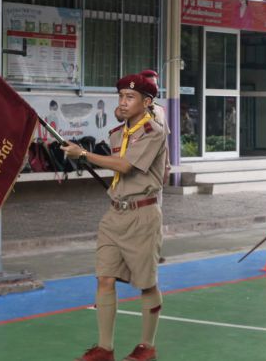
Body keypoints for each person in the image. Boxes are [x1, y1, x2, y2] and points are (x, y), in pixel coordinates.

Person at [65, 74, 166, 361]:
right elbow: (117, 167)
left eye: (130, 97)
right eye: (121, 96)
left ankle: (147, 346)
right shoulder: (116, 134)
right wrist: (81, 156)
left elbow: (125, 164)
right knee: (104, 278)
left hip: (143, 214)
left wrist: (84, 153)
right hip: (115, 214)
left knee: (146, 283)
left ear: (146, 102)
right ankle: (104, 349)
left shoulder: (153, 131)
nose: (123, 101)